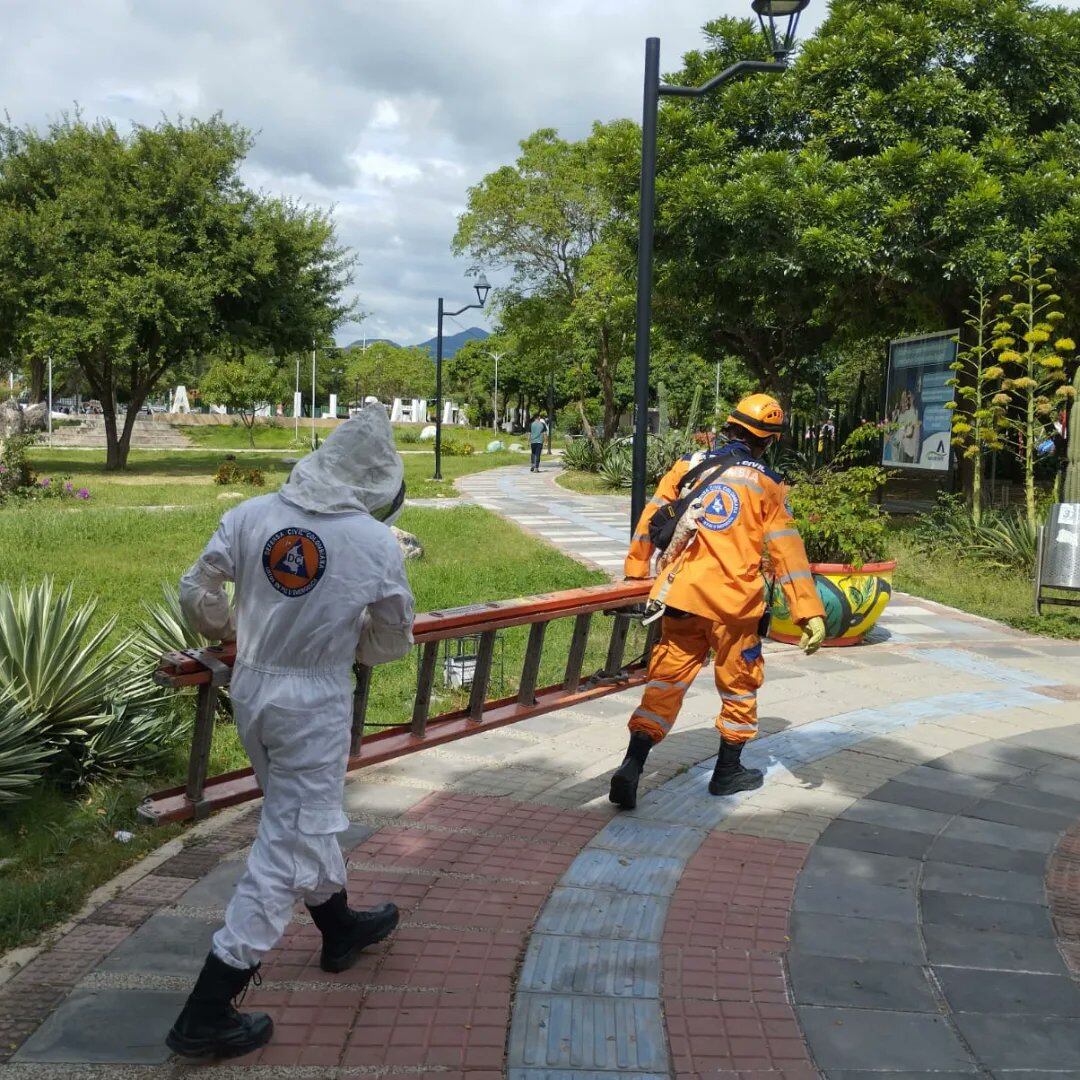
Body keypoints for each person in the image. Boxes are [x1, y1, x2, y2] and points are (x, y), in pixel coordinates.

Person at [167, 408, 415, 1060]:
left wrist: (226, 630)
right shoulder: (374, 542)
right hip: (315, 700)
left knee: (297, 817)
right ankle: (209, 1005)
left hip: (252, 691)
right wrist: (348, 641)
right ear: (375, 483)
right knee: (289, 841)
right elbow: (390, 640)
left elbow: (197, 589)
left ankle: (338, 928)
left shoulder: (250, 515)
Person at [609, 393, 826, 810]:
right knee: (739, 688)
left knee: (666, 682)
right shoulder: (769, 485)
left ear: (730, 426)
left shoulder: (689, 467)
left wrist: (637, 570)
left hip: (683, 596)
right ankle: (727, 774)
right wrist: (808, 612)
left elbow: (649, 518)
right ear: (768, 440)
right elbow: (787, 553)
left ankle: (633, 766)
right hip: (734, 607)